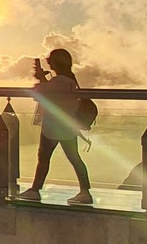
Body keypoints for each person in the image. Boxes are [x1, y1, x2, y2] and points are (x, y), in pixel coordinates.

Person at [19, 47, 94, 206]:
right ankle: (85, 191)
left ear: (56, 63)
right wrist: (44, 80)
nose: (48, 62)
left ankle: (35, 190)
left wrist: (40, 78)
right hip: (67, 124)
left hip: (53, 125)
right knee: (74, 158)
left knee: (44, 158)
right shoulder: (70, 81)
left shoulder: (59, 81)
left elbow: (40, 93)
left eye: (50, 60)